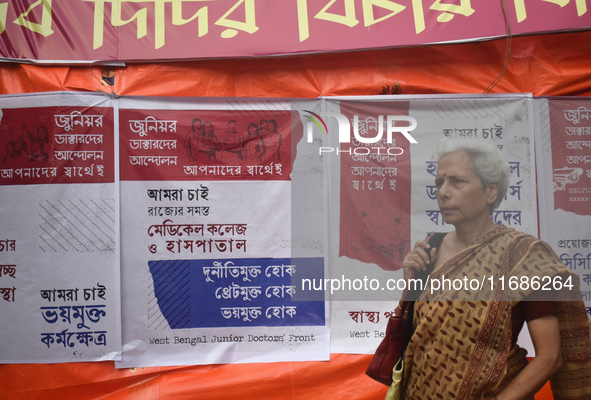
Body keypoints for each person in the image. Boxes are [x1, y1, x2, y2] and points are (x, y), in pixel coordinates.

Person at [399, 138, 591, 400]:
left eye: (457, 181)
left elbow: (550, 357)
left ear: (491, 191)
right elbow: (419, 337)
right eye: (439, 183)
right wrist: (410, 284)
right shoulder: (430, 248)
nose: (443, 192)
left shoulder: (522, 258)